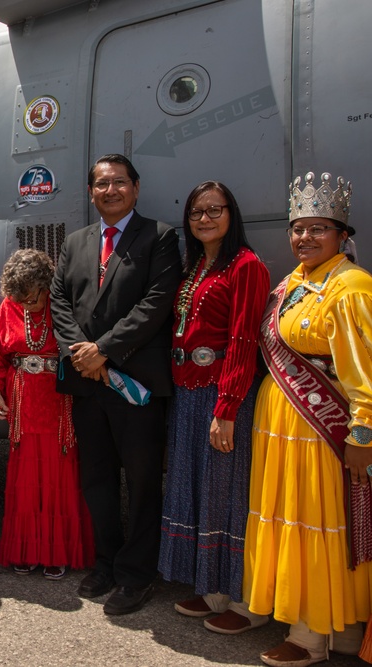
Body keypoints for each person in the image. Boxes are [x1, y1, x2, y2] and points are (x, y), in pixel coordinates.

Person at [241, 172, 372, 667]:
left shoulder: (351, 287)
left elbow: (366, 375)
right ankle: (335, 629)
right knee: (292, 517)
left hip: (321, 430)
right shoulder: (295, 283)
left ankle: (311, 636)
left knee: (316, 521)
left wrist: (362, 435)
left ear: (342, 235)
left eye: (318, 228)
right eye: (298, 228)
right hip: (282, 424)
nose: (304, 238)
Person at [50, 153, 181, 615]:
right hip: (88, 383)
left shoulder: (160, 238)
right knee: (97, 480)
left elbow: (155, 305)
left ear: (136, 188)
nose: (111, 190)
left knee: (143, 481)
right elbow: (59, 301)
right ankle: (106, 561)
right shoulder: (76, 242)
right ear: (90, 192)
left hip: (135, 383)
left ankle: (137, 574)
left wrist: (103, 350)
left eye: (119, 182)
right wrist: (80, 354)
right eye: (102, 184)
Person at [155, 182, 270, 630]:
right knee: (198, 489)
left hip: (224, 392)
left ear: (231, 213)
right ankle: (214, 589)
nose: (204, 219)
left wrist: (227, 409)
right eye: (196, 212)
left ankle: (246, 601)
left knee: (228, 492)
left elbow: (243, 342)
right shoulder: (195, 267)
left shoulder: (246, 266)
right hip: (189, 391)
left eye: (214, 210)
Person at [0, 249, 93, 578]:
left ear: (46, 286)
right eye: (20, 299)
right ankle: (28, 550)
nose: (27, 305)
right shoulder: (9, 305)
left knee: (58, 475)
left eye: (32, 298)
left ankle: (55, 552)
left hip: (56, 401)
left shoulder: (60, 303)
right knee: (26, 479)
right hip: (22, 402)